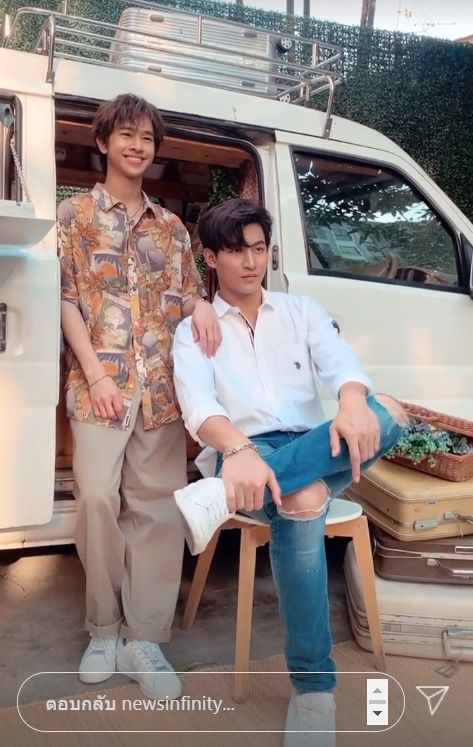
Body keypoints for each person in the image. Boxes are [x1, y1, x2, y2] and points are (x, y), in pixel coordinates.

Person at [171, 198, 407, 746]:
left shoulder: (300, 311)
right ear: (212, 258)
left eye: (259, 249)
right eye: (236, 251)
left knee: (389, 411)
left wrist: (351, 400)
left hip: (309, 442)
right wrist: (239, 450)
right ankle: (314, 689)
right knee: (302, 499)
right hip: (242, 452)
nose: (251, 262)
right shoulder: (195, 330)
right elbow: (199, 407)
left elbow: (342, 363)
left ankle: (215, 498)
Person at [57, 93, 221, 701]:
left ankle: (143, 637)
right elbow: (65, 299)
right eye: (126, 135)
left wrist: (202, 304)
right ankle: (103, 629)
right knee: (98, 499)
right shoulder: (74, 215)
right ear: (103, 143)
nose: (137, 146)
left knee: (156, 512)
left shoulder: (172, 227)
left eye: (147, 138)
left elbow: (187, 292)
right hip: (99, 386)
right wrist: (96, 373)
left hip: (160, 391)